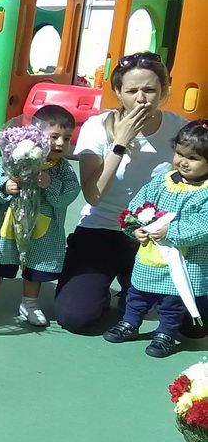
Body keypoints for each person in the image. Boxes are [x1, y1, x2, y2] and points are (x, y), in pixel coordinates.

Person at [54, 52, 186, 333]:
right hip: (102, 229)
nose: (142, 98)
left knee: (190, 324)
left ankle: (134, 292)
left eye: (150, 89)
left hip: (155, 235)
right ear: (118, 92)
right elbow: (93, 194)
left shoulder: (179, 129)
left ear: (163, 91)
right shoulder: (96, 128)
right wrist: (120, 143)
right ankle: (106, 293)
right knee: (75, 317)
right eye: (132, 90)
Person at [103, 120, 208, 357]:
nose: (183, 161)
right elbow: (138, 205)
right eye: (180, 154)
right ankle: (130, 323)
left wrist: (172, 231)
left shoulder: (205, 192)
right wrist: (135, 227)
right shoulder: (163, 180)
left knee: (172, 302)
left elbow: (203, 225)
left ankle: (165, 334)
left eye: (193, 158)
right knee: (137, 294)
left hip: (184, 263)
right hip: (150, 256)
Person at [0, 105, 80, 327]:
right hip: (10, 224)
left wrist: (50, 184)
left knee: (35, 267)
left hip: (43, 228)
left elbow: (69, 194)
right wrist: (5, 186)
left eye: (67, 138)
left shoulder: (63, 169)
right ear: (36, 136)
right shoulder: (16, 159)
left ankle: (29, 303)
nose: (60, 143)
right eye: (55, 136)